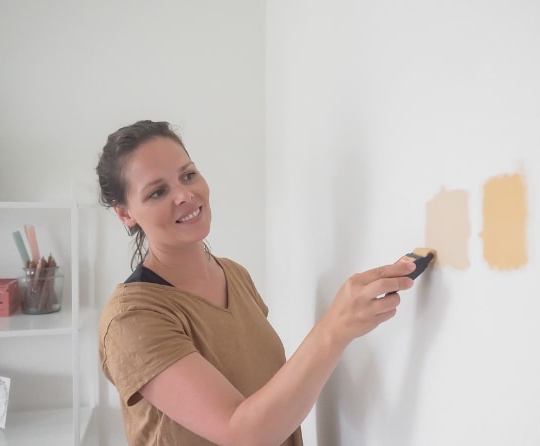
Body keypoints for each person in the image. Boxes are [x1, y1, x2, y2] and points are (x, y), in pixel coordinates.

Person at [96, 120, 416, 446]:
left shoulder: (234, 275)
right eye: (158, 192)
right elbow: (243, 434)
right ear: (125, 214)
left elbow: (271, 397)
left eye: (188, 175)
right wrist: (336, 327)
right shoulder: (131, 319)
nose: (184, 195)